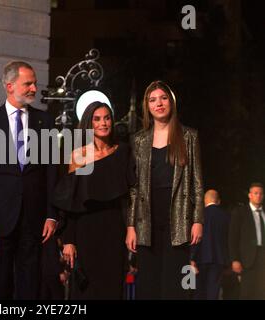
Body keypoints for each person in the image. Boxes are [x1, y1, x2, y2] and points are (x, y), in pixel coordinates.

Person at [0, 61, 57, 299]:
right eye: (28, 83)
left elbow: (51, 172)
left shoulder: (45, 122)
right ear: (9, 86)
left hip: (33, 221)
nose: (34, 88)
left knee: (30, 287)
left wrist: (51, 214)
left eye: (35, 83)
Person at [126, 80, 204, 300]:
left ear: (171, 102)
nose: (158, 103)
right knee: (148, 284)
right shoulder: (139, 140)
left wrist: (198, 220)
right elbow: (134, 189)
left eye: (163, 98)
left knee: (175, 284)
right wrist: (131, 226)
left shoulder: (189, 136)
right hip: (146, 219)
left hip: (178, 218)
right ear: (147, 106)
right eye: (152, 100)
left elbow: (197, 182)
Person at [53, 101, 135, 299]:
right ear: (88, 124)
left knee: (112, 289)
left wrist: (131, 228)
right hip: (85, 231)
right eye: (97, 119)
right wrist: (69, 241)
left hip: (114, 230)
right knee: (85, 291)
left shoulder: (123, 152)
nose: (103, 123)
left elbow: (131, 196)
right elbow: (69, 204)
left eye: (107, 118)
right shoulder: (77, 156)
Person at [191, 189, 230, 300]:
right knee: (213, 294)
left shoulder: (198, 216)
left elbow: (194, 238)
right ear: (218, 201)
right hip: (219, 260)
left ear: (204, 200)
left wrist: (191, 258)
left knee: (196, 292)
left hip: (199, 259)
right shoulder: (226, 216)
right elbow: (229, 239)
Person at [229, 182, 265, 299]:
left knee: (262, 292)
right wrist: (235, 259)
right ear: (250, 195)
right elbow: (233, 237)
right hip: (247, 259)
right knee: (247, 292)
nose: (258, 196)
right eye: (255, 193)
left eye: (260, 193)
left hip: (263, 258)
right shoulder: (240, 213)